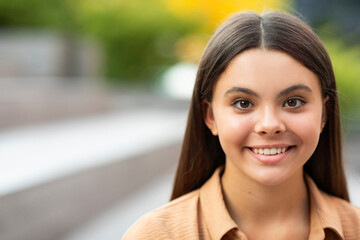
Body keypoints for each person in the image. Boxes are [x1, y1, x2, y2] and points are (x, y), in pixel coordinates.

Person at [123, 11, 360, 239]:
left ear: (324, 114)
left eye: (293, 101)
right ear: (210, 116)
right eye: (243, 103)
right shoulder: (156, 235)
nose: (269, 125)